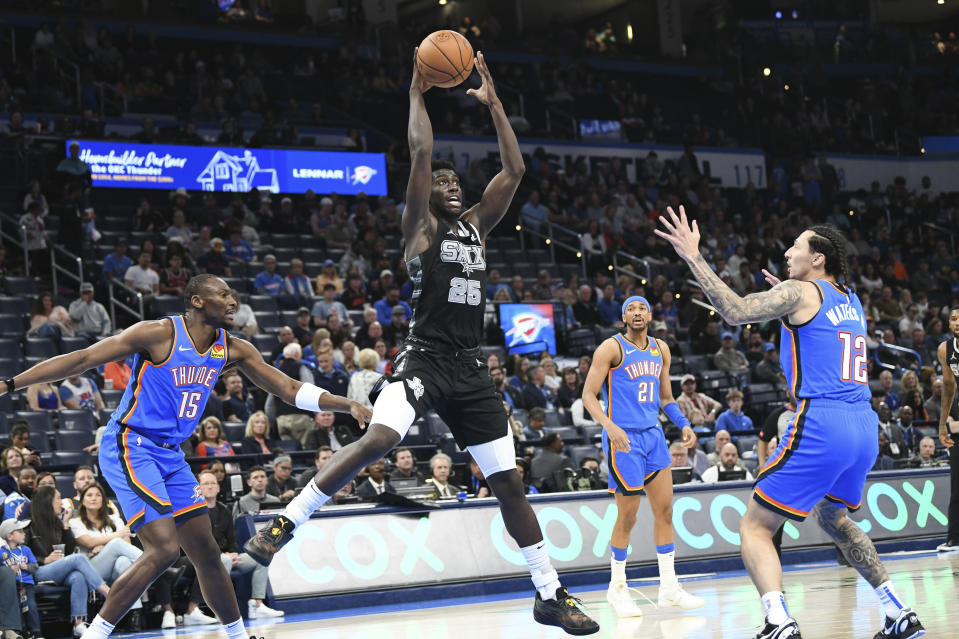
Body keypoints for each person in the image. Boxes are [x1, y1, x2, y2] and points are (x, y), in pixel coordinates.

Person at [245, 52, 597, 636]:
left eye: (457, 182)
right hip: (423, 359)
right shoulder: (420, 228)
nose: (450, 184)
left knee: (509, 482)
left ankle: (549, 592)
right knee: (381, 437)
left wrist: (495, 106)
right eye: (442, 182)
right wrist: (416, 91)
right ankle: (286, 522)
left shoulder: (477, 225)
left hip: (471, 369)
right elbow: (421, 153)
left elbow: (513, 171)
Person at [0, 274, 370, 639]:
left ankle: (239, 635)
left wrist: (346, 404)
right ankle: (95, 634)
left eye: (233, 295)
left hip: (170, 454)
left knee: (206, 551)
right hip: (131, 443)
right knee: (163, 549)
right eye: (223, 294)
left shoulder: (233, 348)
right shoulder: (158, 334)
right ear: (196, 300)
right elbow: (82, 359)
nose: (232, 301)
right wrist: (11, 383)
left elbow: (288, 388)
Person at [656, 209, 925, 639]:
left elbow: (734, 311)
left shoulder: (800, 291)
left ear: (817, 258)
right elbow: (816, 332)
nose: (787, 251)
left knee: (754, 525)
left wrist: (693, 255)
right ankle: (897, 610)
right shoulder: (850, 298)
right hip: (864, 424)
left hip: (824, 420)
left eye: (797, 245)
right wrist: (784, 303)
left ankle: (778, 621)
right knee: (834, 519)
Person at [582, 295, 704, 618]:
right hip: (623, 440)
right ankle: (617, 588)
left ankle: (669, 588)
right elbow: (587, 394)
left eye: (642, 308)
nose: (637, 313)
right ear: (624, 317)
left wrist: (683, 424)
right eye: (630, 309)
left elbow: (666, 397)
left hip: (653, 437)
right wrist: (608, 426)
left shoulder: (660, 348)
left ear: (650, 315)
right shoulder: (611, 348)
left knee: (665, 512)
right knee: (628, 517)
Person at [196, 470, 283, 621]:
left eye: (213, 483)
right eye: (205, 484)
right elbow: (200, 541)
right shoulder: (196, 512)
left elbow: (232, 538)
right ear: (199, 488)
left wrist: (234, 553)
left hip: (228, 556)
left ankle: (257, 605)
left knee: (260, 557)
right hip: (209, 557)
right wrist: (223, 555)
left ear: (218, 488)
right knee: (225, 561)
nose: (210, 487)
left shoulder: (225, 510)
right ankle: (222, 609)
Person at [26, 486, 110, 637]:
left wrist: (65, 525)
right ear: (47, 502)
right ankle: (106, 592)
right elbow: (22, 554)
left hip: (56, 571)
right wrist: (44, 559)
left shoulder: (58, 524)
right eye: (58, 498)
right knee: (79, 559)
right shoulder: (29, 526)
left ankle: (78, 623)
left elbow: (69, 552)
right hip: (37, 571)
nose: (62, 502)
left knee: (78, 575)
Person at [68, 484, 146, 628]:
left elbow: (127, 543)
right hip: (92, 569)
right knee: (116, 544)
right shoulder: (75, 522)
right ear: (82, 500)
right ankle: (151, 564)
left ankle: (135, 614)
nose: (94, 498)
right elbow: (89, 542)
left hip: (116, 566)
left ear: (103, 500)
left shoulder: (114, 519)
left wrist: (105, 545)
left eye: (98, 495)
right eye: (89, 495)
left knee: (123, 561)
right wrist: (114, 539)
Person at [935, 307, 958, 552]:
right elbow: (949, 388)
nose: (957, 323)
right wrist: (943, 424)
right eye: (953, 319)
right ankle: (954, 539)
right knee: (957, 484)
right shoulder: (945, 350)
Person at [1, 518, 39, 638]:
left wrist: (27, 567)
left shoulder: (26, 549)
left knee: (30, 605)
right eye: (20, 531)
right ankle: (19, 632)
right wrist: (8, 571)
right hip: (13, 585)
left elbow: (35, 566)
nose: (24, 533)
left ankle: (37, 633)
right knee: (17, 606)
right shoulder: (2, 552)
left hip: (27, 583)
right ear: (10, 536)